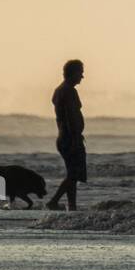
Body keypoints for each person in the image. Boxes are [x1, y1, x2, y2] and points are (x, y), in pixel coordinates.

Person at [47, 59, 86, 211]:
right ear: (73, 73)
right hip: (69, 138)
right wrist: (75, 137)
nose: (82, 76)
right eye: (80, 73)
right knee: (74, 174)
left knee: (73, 174)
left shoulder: (60, 90)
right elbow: (70, 116)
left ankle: (72, 206)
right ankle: (54, 201)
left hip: (65, 136)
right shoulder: (68, 91)